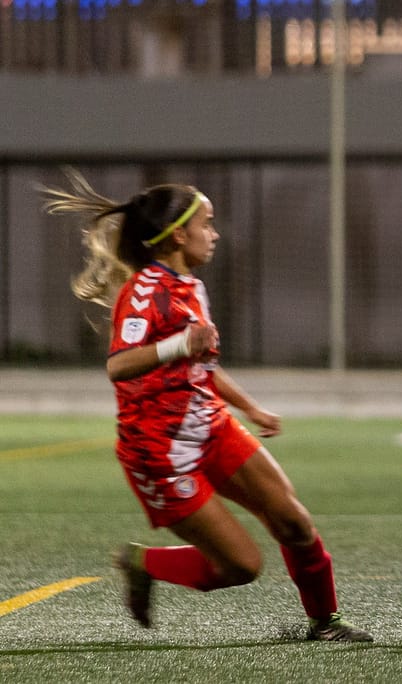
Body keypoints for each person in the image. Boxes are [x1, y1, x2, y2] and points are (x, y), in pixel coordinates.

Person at [41, 171, 372, 642]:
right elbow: (119, 365)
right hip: (160, 454)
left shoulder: (189, 285)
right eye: (208, 224)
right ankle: (142, 561)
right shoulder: (144, 292)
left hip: (211, 428)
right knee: (241, 567)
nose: (214, 234)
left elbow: (200, 365)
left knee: (294, 522)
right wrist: (178, 344)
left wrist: (250, 408)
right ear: (179, 234)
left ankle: (325, 624)